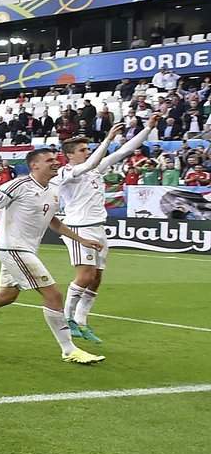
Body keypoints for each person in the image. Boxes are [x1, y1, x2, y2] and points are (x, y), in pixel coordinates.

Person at [0, 149, 107, 364]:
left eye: (56, 159)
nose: (56, 163)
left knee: (6, 295)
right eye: (49, 160)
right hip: (14, 249)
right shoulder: (17, 185)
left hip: (26, 250)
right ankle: (69, 350)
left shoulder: (53, 189)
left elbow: (52, 221)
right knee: (53, 295)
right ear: (35, 165)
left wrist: (80, 240)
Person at [56, 122, 151, 343]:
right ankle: (67, 318)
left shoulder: (95, 169)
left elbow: (125, 150)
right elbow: (89, 164)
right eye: (82, 150)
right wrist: (108, 139)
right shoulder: (66, 172)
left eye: (87, 149)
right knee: (85, 276)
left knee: (96, 278)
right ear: (69, 155)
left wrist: (148, 128)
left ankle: (81, 321)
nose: (86, 152)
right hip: (79, 227)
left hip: (98, 227)